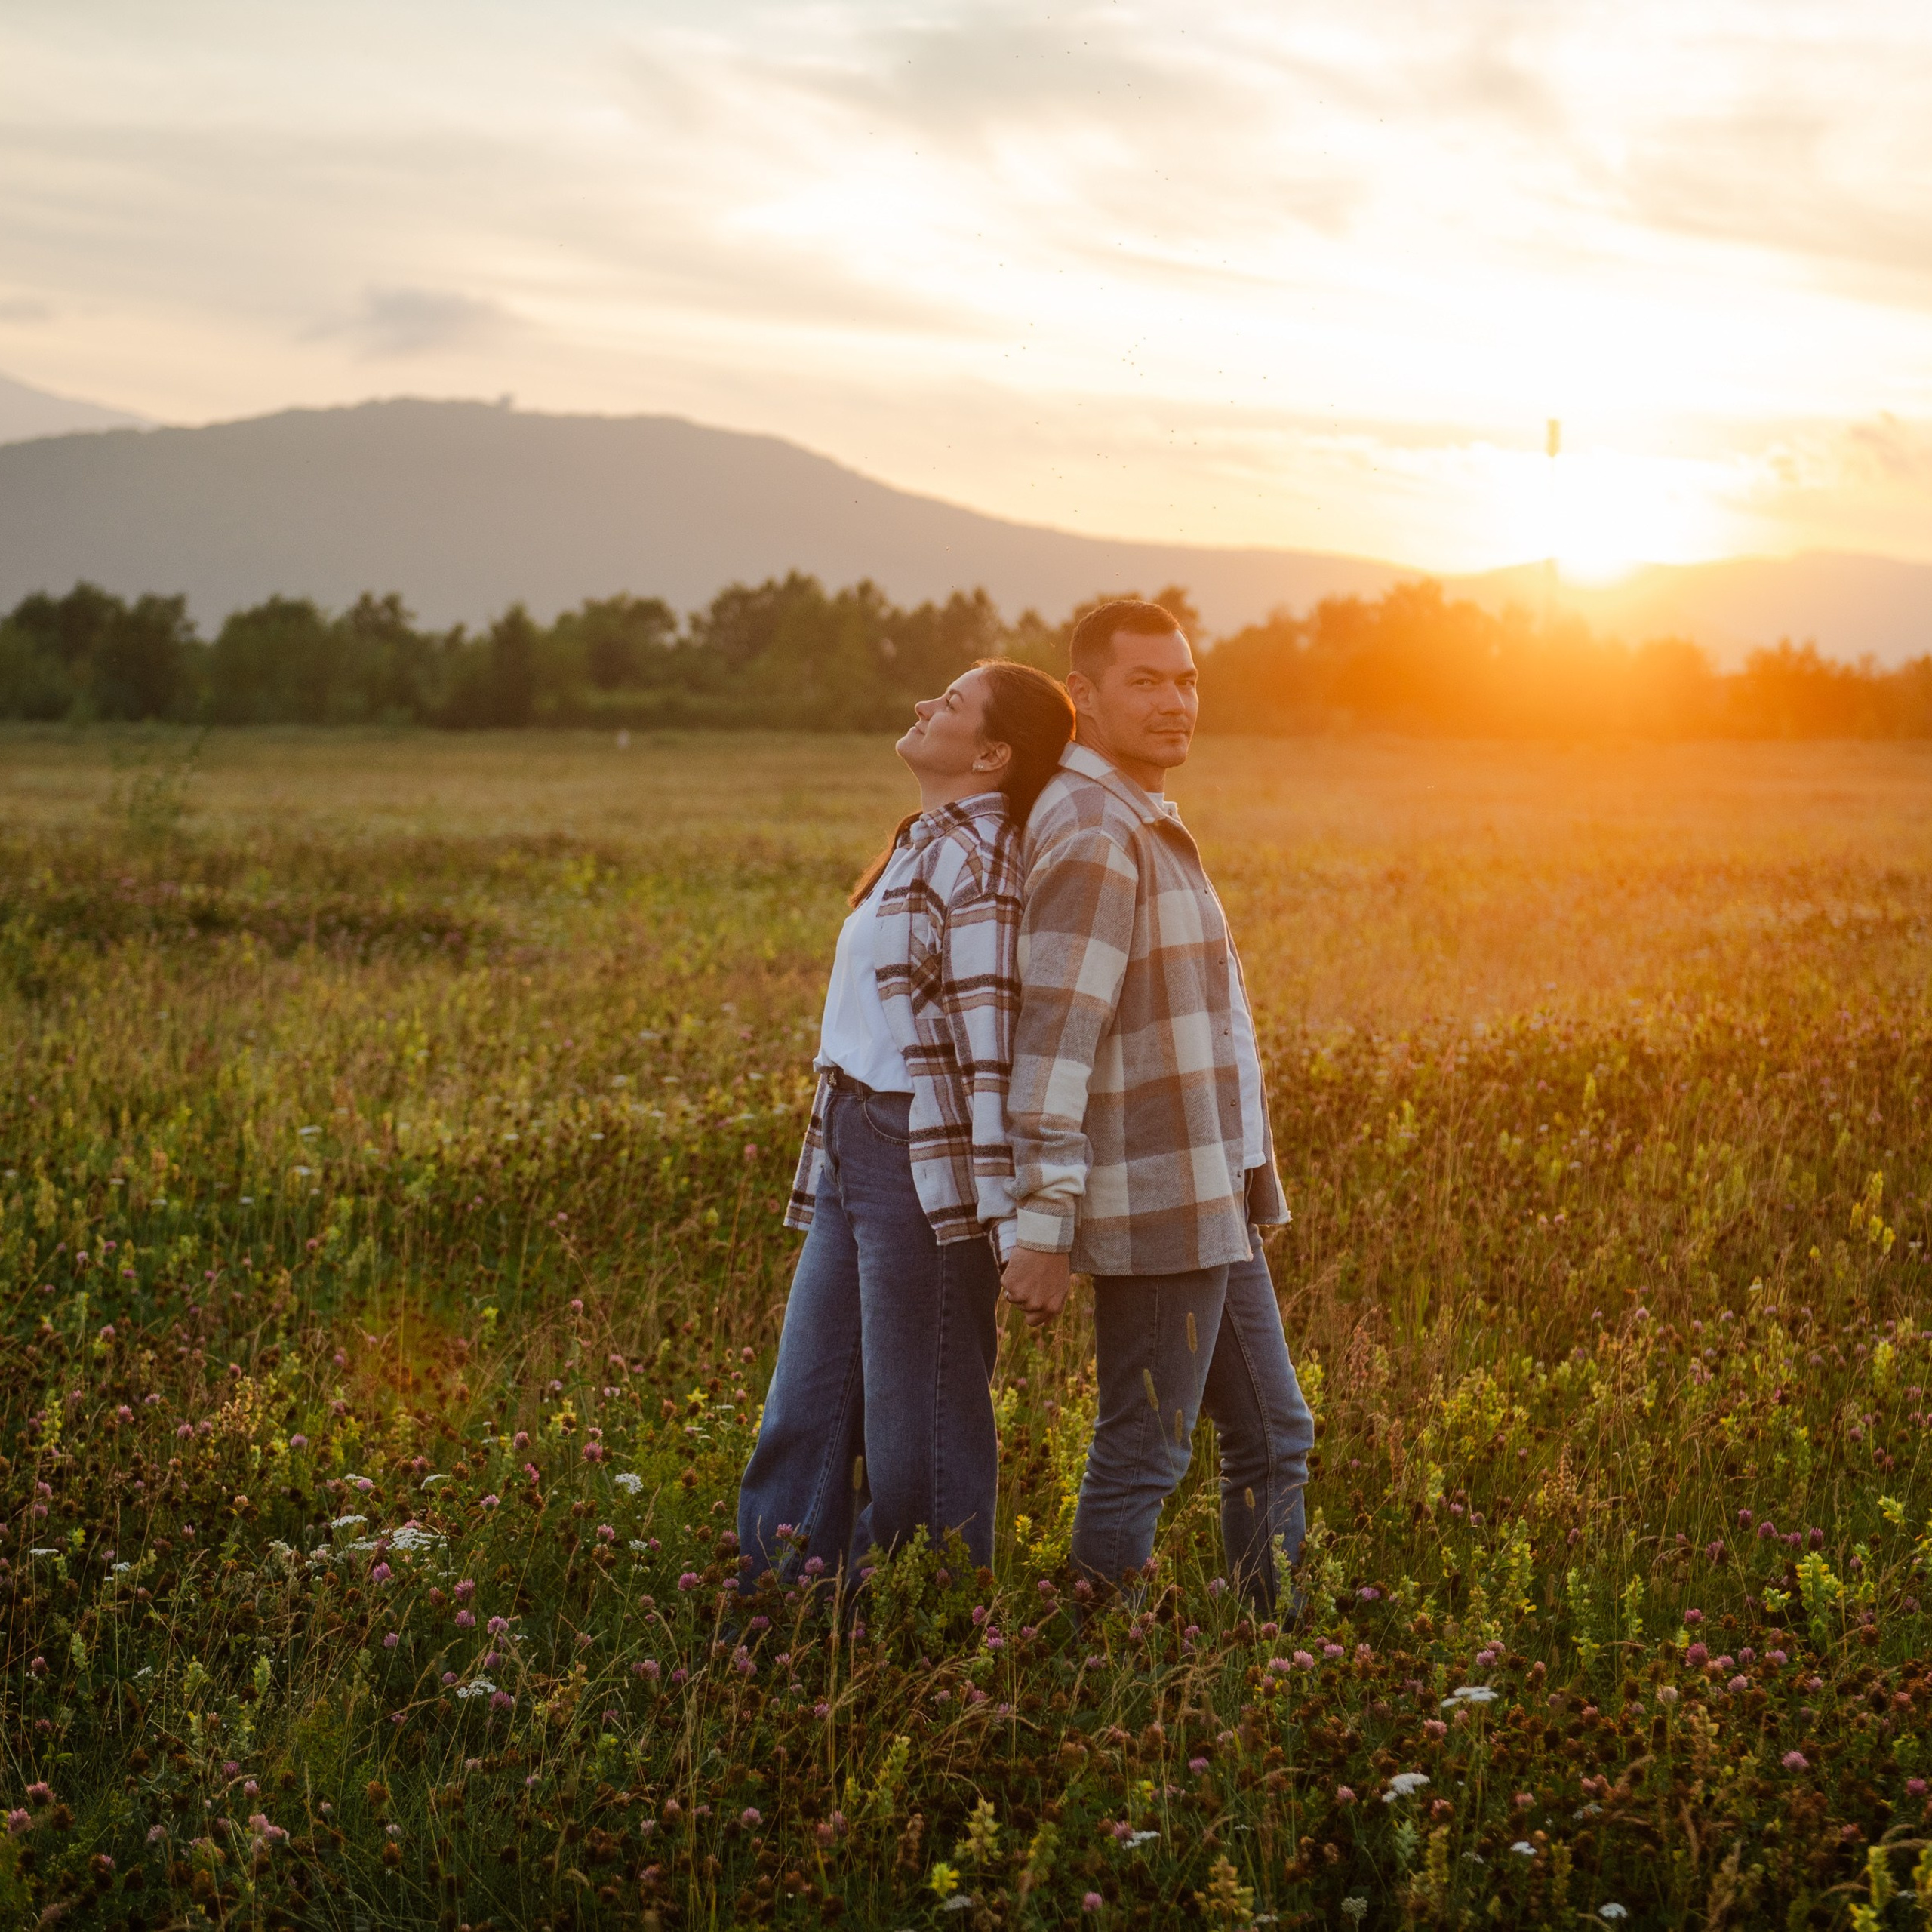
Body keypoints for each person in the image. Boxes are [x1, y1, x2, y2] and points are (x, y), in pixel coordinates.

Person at [1000, 599, 1315, 1614]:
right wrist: (1044, 1222)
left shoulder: (1132, 815)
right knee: (1145, 1446)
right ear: (1083, 695)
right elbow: (1055, 1038)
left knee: (1272, 1433)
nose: (1175, 703)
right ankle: (1089, 1662)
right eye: (1146, 682)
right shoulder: (1096, 830)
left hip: (1204, 1187)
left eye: (1186, 681)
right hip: (1156, 1194)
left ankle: (1274, 1647)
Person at [737, 659, 1076, 1586]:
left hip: (918, 1159)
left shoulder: (981, 864)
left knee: (918, 1427)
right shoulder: (924, 840)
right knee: (806, 1405)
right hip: (853, 1134)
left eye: (952, 703)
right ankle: (774, 1604)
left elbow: (991, 1054)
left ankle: (925, 1624)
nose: (926, 706)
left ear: (992, 754)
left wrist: (1020, 1224)